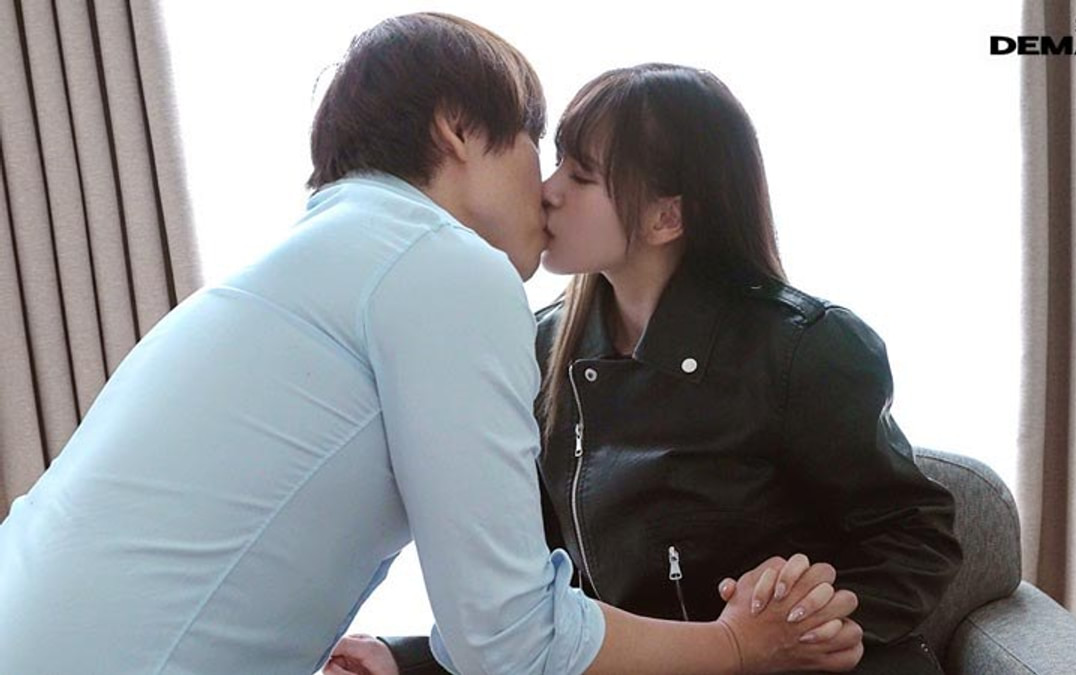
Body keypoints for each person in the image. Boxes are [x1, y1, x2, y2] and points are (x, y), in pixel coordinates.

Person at [0, 16, 857, 675]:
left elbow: (494, 609)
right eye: (534, 146)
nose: (545, 191)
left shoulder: (328, 257)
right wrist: (739, 644)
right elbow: (511, 637)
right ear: (456, 130)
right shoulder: (441, 265)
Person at [337, 64, 962, 675]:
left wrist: (823, 618)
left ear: (667, 217)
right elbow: (534, 593)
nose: (548, 189)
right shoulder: (537, 348)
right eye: (558, 162)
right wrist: (407, 659)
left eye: (581, 176)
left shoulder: (803, 345)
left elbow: (916, 533)